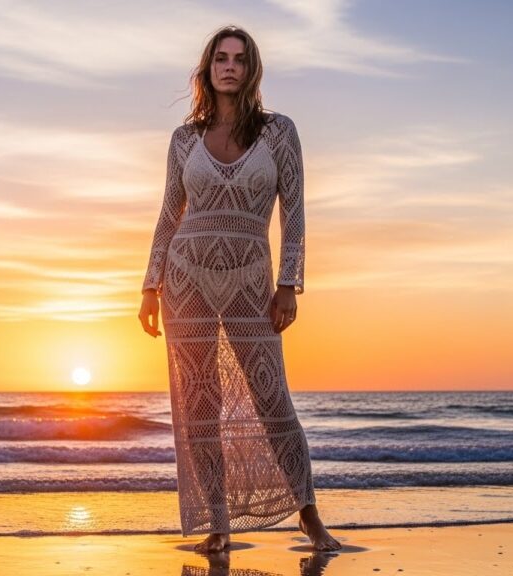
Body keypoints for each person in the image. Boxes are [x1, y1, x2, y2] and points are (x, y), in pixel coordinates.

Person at [138, 25, 342, 553]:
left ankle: (309, 515)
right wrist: (150, 286)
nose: (229, 66)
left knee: (272, 398)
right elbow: (168, 214)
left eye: (240, 59)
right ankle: (218, 523)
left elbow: (293, 213)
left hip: (253, 277)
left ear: (252, 71)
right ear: (207, 69)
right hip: (187, 280)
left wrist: (289, 283)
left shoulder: (278, 133)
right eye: (220, 58)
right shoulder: (184, 139)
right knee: (201, 404)